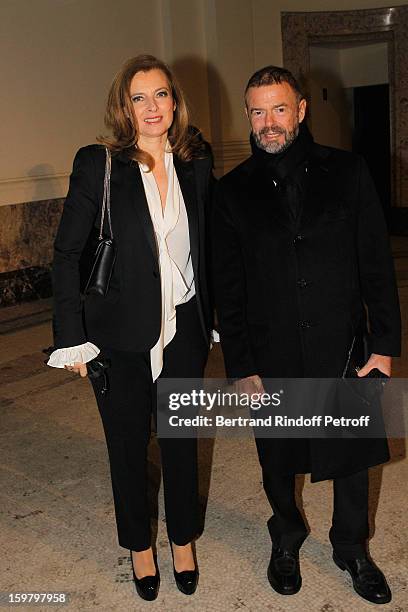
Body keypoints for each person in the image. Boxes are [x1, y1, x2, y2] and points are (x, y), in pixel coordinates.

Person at [212, 65, 401, 604]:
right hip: (271, 354)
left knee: (353, 456)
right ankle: (286, 536)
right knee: (277, 456)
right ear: (246, 116)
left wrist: (384, 346)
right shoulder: (231, 192)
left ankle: (353, 548)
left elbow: (376, 266)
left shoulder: (349, 172)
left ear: (300, 110)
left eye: (278, 109)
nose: (268, 123)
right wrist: (243, 365)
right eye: (257, 111)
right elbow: (230, 289)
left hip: (344, 346)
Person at [48, 55, 214, 601]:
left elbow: (212, 244)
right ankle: (141, 548)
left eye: (161, 95)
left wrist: (217, 319)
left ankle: (183, 541)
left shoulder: (196, 160)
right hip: (119, 333)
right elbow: (68, 252)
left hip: (184, 326)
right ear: (124, 106)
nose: (151, 107)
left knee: (181, 440)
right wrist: (72, 337)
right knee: (127, 445)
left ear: (174, 101)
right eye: (139, 97)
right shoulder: (99, 163)